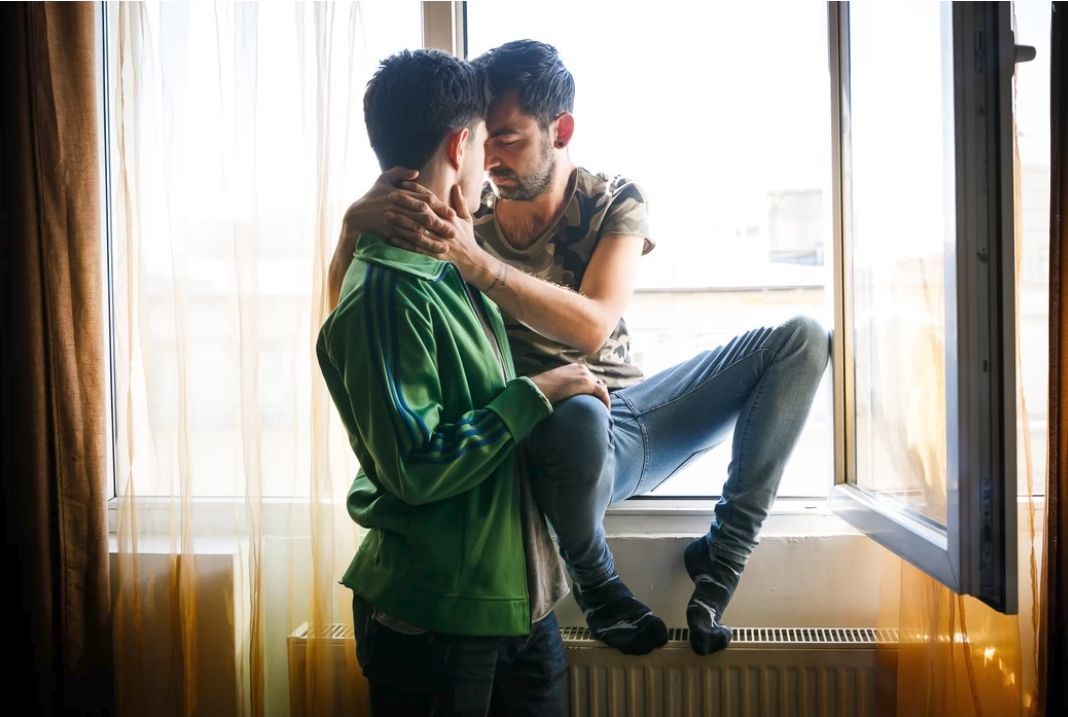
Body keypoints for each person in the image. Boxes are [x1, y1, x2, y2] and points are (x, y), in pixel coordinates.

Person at [331, 40, 830, 658]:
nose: (490, 158)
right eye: (483, 139)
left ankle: (722, 560)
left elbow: (593, 327)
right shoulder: (463, 205)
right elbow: (354, 325)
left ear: (560, 130)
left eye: (507, 139)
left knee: (802, 340)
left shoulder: (611, 200)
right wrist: (351, 229)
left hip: (620, 424)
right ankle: (595, 581)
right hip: (528, 429)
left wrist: (478, 263)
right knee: (576, 411)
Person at [317, 48, 611, 715]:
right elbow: (415, 466)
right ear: (459, 146)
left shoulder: (448, 264)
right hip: (436, 628)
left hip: (518, 607)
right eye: (485, 144)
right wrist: (537, 393)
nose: (491, 167)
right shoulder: (387, 291)